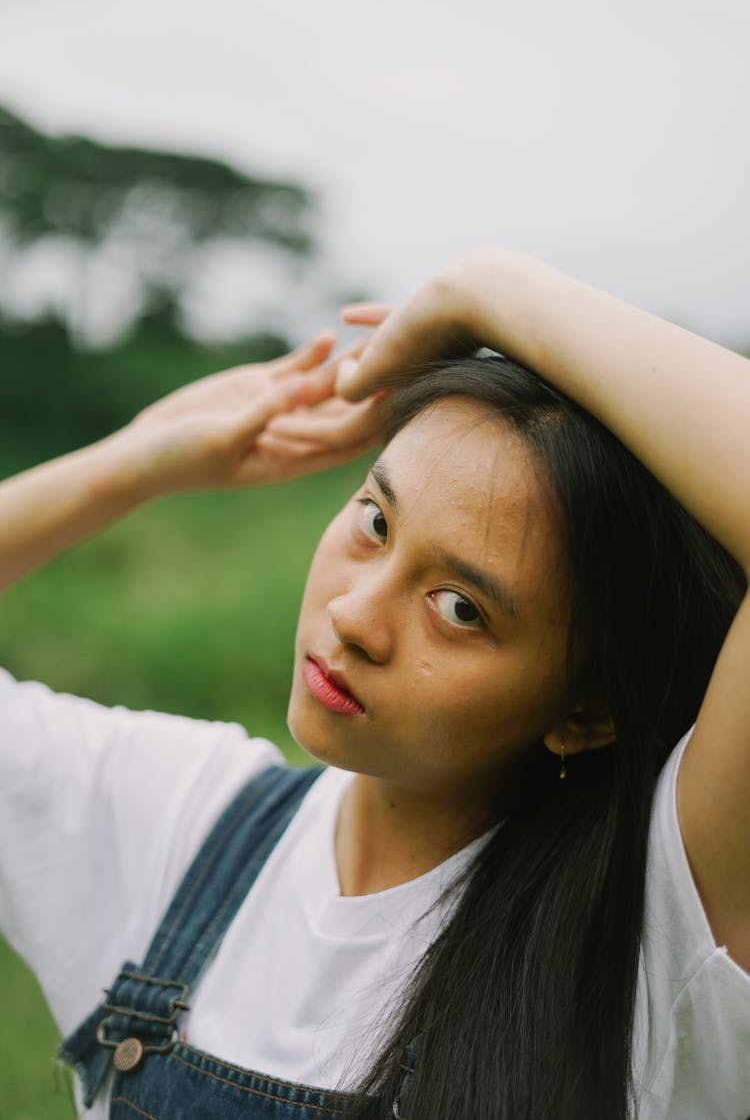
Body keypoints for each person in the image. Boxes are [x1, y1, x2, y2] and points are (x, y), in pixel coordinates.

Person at [0, 246, 748, 1120]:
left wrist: (485, 289)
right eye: (374, 519)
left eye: (459, 607)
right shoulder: (181, 819)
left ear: (587, 713)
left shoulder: (655, 937)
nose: (355, 613)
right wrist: (134, 462)